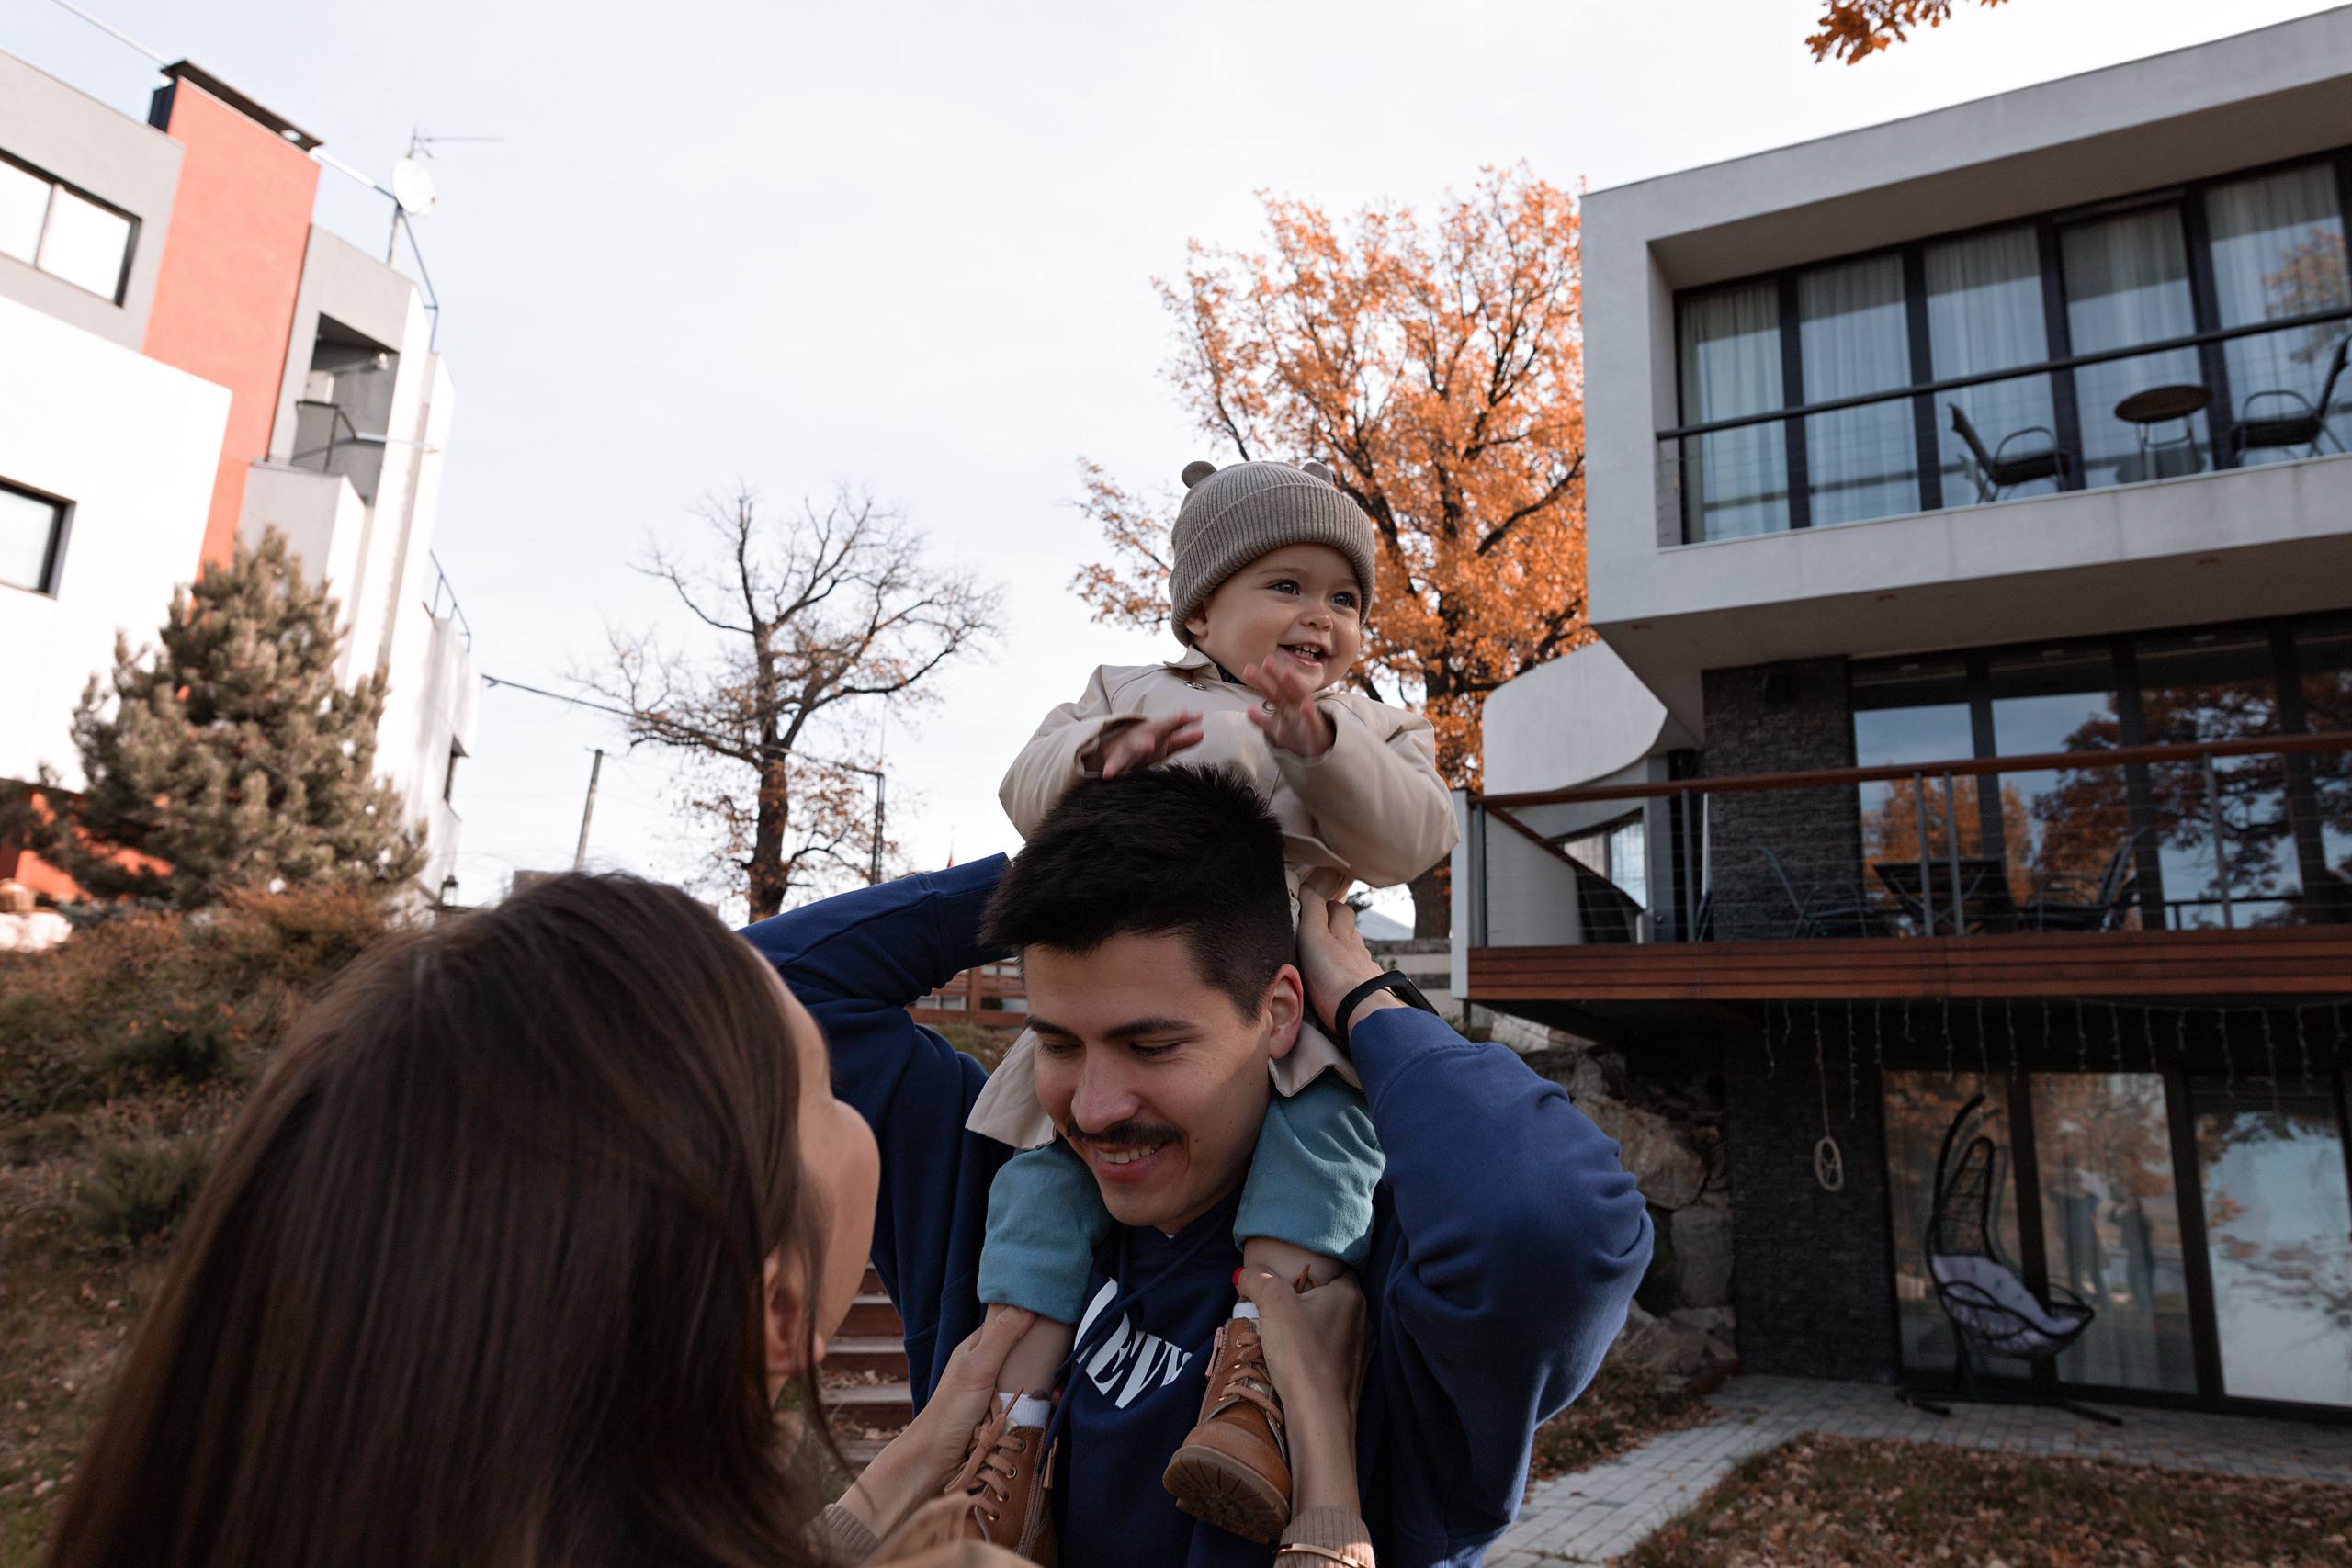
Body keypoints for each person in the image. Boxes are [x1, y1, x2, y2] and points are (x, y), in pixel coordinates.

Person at [42, 873, 1380, 1568]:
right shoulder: (1001, 1192)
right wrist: (1324, 1488)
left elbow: (769, 979)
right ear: (775, 1309)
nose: (1086, 1101)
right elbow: (781, 974)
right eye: (815, 1098)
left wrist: (1086, 861)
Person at [748, 767, 1652, 1568]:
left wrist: (1368, 1001)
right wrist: (1066, 865)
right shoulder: (991, 1196)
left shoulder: (1376, 1282)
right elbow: (760, 992)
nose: (1094, 1108)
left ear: (1280, 1012)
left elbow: (1554, 1224)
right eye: (1057, 1043)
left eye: (1150, 1045)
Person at [966, 457, 1458, 1540]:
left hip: (1287, 993)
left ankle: (1260, 1379)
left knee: (1326, 1142)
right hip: (1135, 993)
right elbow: (1023, 783)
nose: (1320, 616)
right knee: (1044, 1170)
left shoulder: (1370, 725)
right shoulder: (1127, 690)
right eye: (1286, 586)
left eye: (1344, 598)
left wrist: (1324, 749)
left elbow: (1417, 835)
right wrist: (1098, 761)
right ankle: (1002, 1419)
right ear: (1199, 611)